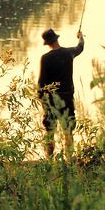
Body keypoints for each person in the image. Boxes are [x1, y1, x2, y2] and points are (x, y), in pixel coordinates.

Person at [37, 27, 84, 159]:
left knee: (50, 132)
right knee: (68, 131)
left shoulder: (45, 58)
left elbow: (41, 83)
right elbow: (80, 47)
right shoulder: (69, 53)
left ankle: (49, 160)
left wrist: (43, 101)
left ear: (47, 43)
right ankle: (69, 160)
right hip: (67, 98)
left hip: (51, 100)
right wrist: (80, 36)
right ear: (56, 39)